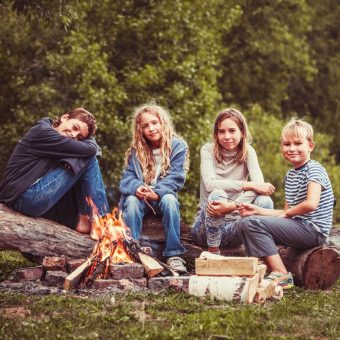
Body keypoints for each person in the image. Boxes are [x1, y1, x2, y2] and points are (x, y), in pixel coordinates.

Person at [236, 118, 334, 289]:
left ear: (310, 146)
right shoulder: (291, 175)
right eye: (287, 144)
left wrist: (287, 214)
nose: (292, 148)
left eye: (297, 143)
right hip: (299, 226)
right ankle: (259, 268)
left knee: (252, 224)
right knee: (245, 222)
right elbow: (287, 211)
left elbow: (311, 204)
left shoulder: (314, 169)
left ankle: (282, 274)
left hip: (313, 231)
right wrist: (257, 210)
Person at [0, 108, 109, 235]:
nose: (73, 135)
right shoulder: (42, 132)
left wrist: (91, 147)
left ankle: (86, 219)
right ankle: (99, 220)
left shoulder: (58, 141)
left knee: (82, 158)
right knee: (88, 158)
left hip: (29, 198)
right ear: (64, 118)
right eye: (74, 127)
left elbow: (91, 148)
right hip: (23, 197)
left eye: (79, 137)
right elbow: (91, 150)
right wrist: (90, 147)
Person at [191, 107, 274, 254]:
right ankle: (213, 254)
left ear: (242, 133)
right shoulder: (207, 150)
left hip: (235, 228)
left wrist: (231, 206)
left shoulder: (248, 152)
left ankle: (261, 256)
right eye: (221, 131)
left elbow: (260, 187)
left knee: (264, 200)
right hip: (205, 229)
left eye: (232, 131)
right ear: (216, 134)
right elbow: (210, 184)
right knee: (217, 194)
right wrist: (247, 184)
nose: (227, 136)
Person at [119, 102, 188, 273]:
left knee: (170, 200)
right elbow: (126, 178)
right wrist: (137, 187)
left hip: (161, 196)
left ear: (162, 123)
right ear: (140, 130)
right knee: (132, 201)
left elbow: (176, 178)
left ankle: (174, 254)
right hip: (142, 199)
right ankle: (132, 250)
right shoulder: (136, 151)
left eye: (154, 123)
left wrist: (156, 193)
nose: (151, 128)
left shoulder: (177, 146)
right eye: (145, 126)